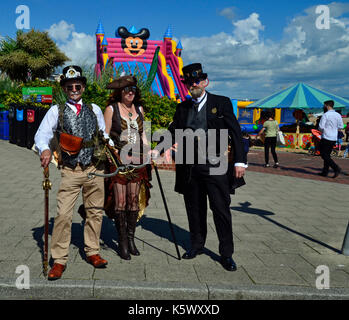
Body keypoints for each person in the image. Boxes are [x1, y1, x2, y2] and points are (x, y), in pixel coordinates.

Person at [168, 63, 247, 272]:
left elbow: (235, 132)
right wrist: (156, 149)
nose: (193, 85)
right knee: (194, 208)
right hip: (190, 166)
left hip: (215, 164)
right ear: (186, 85)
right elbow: (172, 131)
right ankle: (196, 245)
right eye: (189, 82)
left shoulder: (220, 103)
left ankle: (226, 254)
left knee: (220, 209)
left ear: (205, 82)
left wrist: (240, 161)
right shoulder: (182, 107)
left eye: (197, 81)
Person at [34, 65, 109, 280]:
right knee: (63, 215)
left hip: (95, 168)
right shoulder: (56, 111)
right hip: (70, 170)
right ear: (65, 89)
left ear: (83, 87)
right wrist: (45, 148)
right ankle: (59, 260)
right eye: (70, 87)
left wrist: (113, 148)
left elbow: (103, 134)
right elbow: (42, 135)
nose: (74, 89)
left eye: (77, 86)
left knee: (95, 211)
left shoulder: (94, 109)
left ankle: (93, 252)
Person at [103, 75, 153, 260]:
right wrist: (115, 152)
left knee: (133, 200)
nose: (130, 92)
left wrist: (148, 152)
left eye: (133, 89)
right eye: (126, 89)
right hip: (119, 161)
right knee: (121, 201)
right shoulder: (111, 109)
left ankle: (131, 239)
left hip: (138, 161)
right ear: (120, 92)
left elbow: (144, 134)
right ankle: (122, 241)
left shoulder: (139, 109)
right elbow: (105, 135)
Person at [318, 100, 343, 178]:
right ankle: (325, 171)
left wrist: (324, 130)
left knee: (323, 154)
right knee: (327, 155)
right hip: (333, 137)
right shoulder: (338, 115)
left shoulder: (325, 115)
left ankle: (336, 168)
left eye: (324, 105)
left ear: (327, 106)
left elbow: (321, 127)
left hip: (326, 136)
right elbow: (341, 126)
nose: (323, 107)